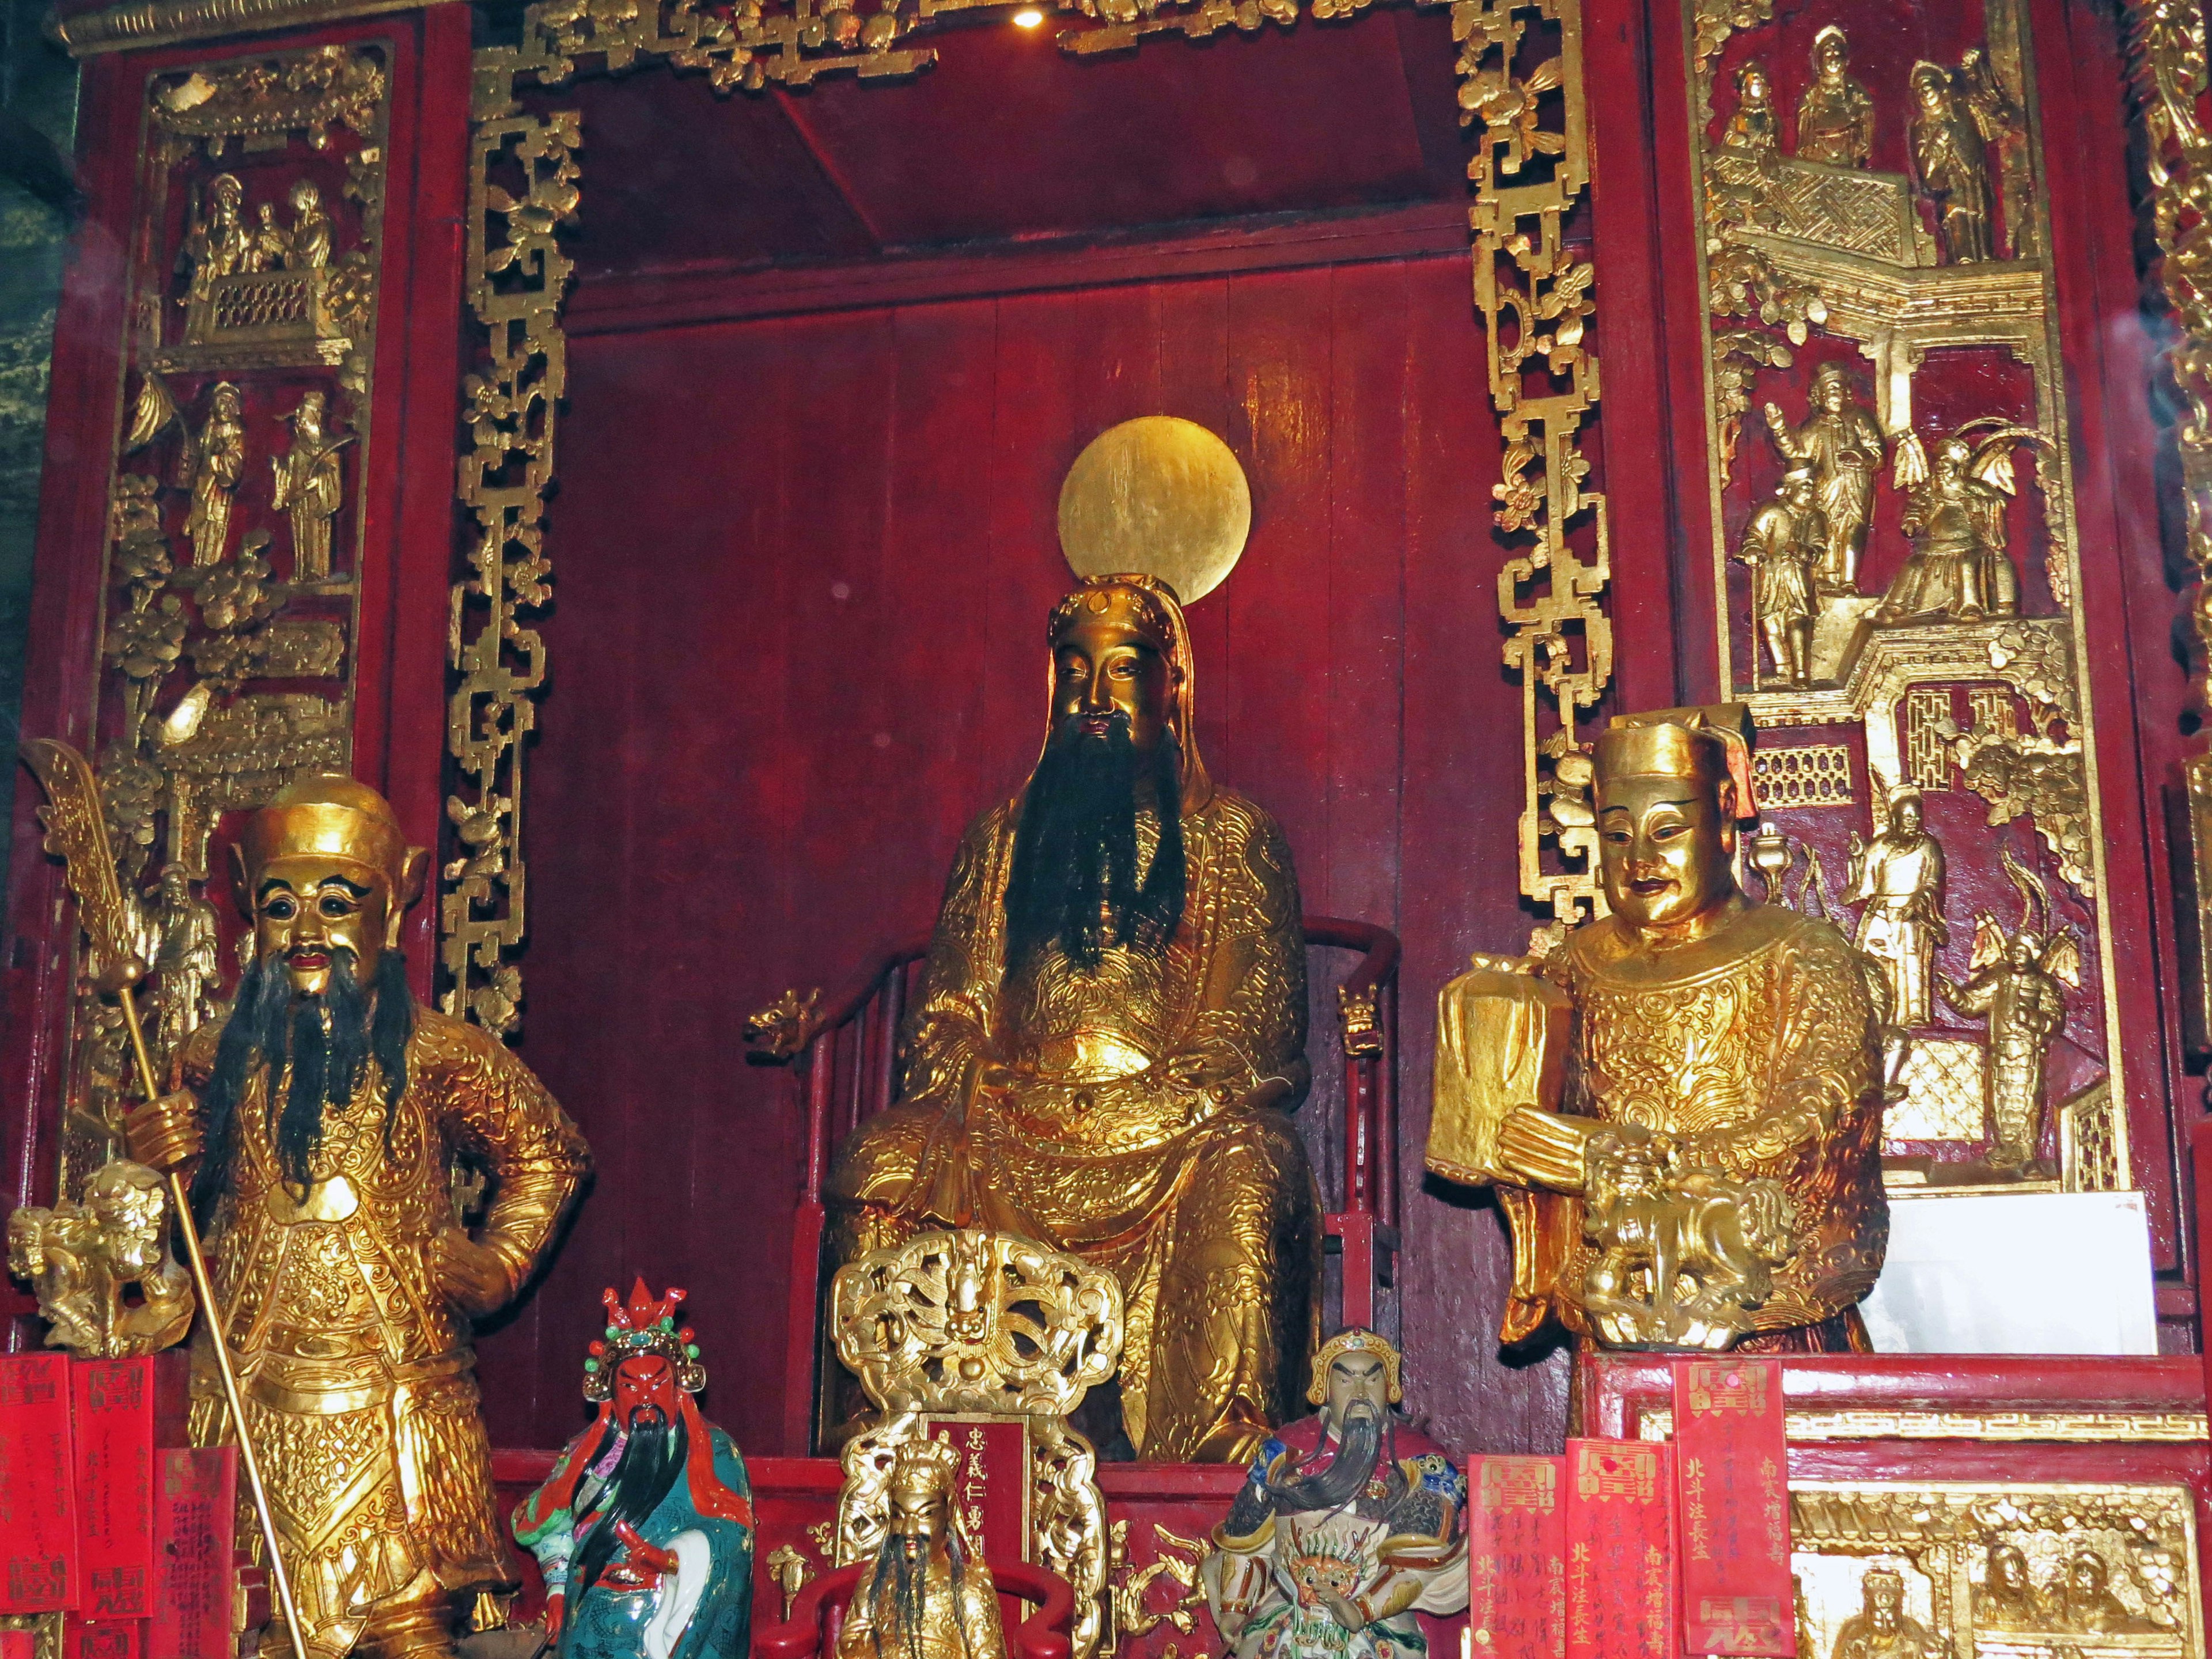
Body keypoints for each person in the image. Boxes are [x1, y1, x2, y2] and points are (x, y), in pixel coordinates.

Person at [825, 574, 1319, 1461]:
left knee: (1254, 1159)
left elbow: (1254, 1020)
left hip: (1161, 1127)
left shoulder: (1231, 833)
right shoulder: (1001, 838)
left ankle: (1215, 1434)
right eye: (1074, 671)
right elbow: (948, 1015)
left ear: (1173, 688)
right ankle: (885, 1419)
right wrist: (985, 1077)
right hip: (1009, 1122)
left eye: (1124, 671)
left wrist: (1169, 1091)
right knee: (883, 1158)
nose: (1095, 697)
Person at [124, 775, 592, 1659]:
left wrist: (498, 1263)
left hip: (396, 1392)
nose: (307, 933)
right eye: (279, 906)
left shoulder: (442, 1054)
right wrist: (161, 1166)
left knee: (408, 1627)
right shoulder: (205, 1058)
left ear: (397, 899)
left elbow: (547, 1155)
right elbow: (154, 1234)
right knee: (244, 1622)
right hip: (252, 1382)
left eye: (337, 904)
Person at [1429, 706, 1888, 1352]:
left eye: (1667, 830)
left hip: (1756, 1309)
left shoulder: (1800, 951)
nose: (1640, 858)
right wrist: (1507, 1017)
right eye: (1617, 836)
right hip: (1618, 1300)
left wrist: (1654, 1156)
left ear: (1725, 814)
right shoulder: (1575, 964)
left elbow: (1825, 1111)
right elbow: (1513, 1137)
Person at [514, 1283, 753, 1659]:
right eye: (630, 1386)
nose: (645, 1398)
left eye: (658, 1384)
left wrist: (672, 1560)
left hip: (665, 1615)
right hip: (589, 1612)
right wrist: (558, 1591)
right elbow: (549, 1529)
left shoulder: (716, 1451)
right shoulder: (585, 1452)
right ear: (611, 1393)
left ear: (679, 1389)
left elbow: (732, 1541)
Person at [1205, 1329, 1467, 1659]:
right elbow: (1246, 1541)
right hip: (1288, 1614)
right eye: (1346, 1380)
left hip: (1376, 1619)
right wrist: (1235, 1606)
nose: (1360, 1392)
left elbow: (1417, 1562)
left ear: (1390, 1388)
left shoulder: (1421, 1462)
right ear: (1324, 1387)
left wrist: (1361, 1609)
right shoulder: (1284, 1452)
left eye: (1372, 1380)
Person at [835, 1440, 1004, 1659]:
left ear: (948, 1516)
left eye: (926, 1515)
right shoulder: (873, 1584)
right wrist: (849, 1650)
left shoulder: (969, 1591)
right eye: (899, 1515)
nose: (909, 1530)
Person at [1764, 365, 1884, 592]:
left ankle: (1849, 580)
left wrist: (1862, 456)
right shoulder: (1813, 427)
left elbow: (1878, 451)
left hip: (1856, 484)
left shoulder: (1860, 418)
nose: (1835, 394)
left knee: (1854, 529)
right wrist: (1779, 429)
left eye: (1839, 389)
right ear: (1818, 395)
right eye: (1829, 390)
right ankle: (1826, 577)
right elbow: (1797, 454)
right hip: (1825, 487)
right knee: (1825, 529)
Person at [1845, 787, 1947, 1029]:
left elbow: (1934, 883)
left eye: (1917, 817)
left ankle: (1915, 1013)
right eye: (1907, 817)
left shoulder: (1928, 846)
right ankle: (1881, 1014)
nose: (1912, 822)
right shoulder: (1879, 847)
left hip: (1914, 914)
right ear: (1895, 819)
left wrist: (1919, 901)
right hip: (1882, 913)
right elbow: (1865, 887)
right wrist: (1858, 859)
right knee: (1877, 962)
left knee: (1912, 961)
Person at [1735, 468, 1823, 687]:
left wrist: (1802, 552)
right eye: (1805, 487)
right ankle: (1782, 668)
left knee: (1797, 620)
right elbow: (1754, 536)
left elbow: (1819, 549)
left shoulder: (1815, 517)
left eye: (1813, 487)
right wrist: (1753, 551)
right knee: (1770, 622)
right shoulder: (1771, 511)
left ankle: (1801, 672)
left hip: (1797, 578)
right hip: (1771, 575)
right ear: (1788, 490)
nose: (1811, 493)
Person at [1907, 62, 1995, 263]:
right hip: (1949, 185)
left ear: (1941, 87)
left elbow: (1979, 138)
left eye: (1929, 86)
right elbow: (1927, 169)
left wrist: (1974, 71)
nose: (1925, 92)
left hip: (1972, 179)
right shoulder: (1921, 126)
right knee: (1956, 217)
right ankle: (1962, 257)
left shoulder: (1961, 111)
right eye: (1920, 90)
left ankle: (1985, 254)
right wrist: (1941, 139)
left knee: (1979, 215)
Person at [1795, 25, 1874, 166]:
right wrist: (1816, 114)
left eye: (1838, 55)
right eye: (1828, 54)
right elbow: (1805, 116)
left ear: (1846, 60)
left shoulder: (1853, 88)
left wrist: (1856, 113)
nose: (1833, 60)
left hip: (1848, 142)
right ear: (1819, 60)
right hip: (1821, 143)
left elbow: (1866, 110)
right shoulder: (1814, 91)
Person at [1831, 1568, 1936, 1659]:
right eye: (1878, 1620)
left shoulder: (1911, 1629)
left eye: (1891, 1620)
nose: (1885, 1626)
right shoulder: (1854, 1630)